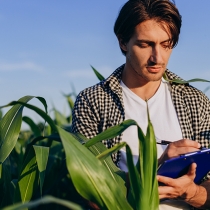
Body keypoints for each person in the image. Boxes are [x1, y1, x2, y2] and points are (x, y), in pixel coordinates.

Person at [71, 0, 210, 209]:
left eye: (166, 45)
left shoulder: (195, 101)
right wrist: (154, 167)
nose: (158, 58)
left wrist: (191, 193)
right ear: (123, 42)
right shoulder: (93, 101)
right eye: (145, 45)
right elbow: (92, 193)